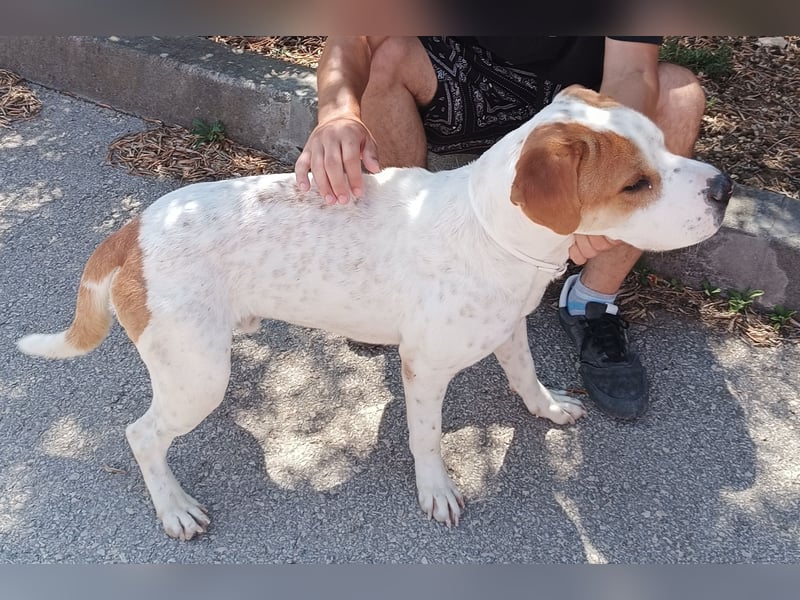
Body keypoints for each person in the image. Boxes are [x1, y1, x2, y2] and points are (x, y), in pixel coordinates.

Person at [294, 36, 706, 420]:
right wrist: (336, 114)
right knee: (389, 51)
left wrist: (601, 192)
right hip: (470, 81)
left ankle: (590, 302)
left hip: (577, 102)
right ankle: (400, 270)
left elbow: (631, 72)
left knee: (678, 94)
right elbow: (352, 33)